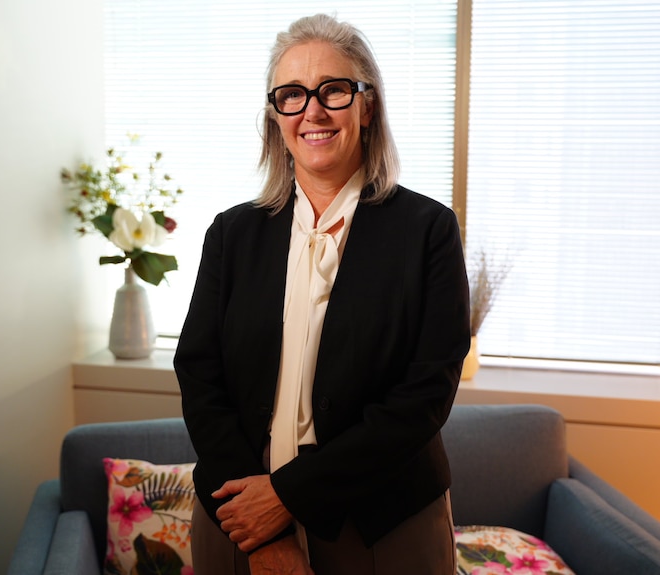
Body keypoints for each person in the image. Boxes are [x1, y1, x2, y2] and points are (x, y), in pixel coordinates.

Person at [174, 13, 470, 575]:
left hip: (383, 518)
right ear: (274, 116)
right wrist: (260, 532)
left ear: (367, 105)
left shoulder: (428, 230)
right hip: (239, 509)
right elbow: (199, 374)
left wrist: (287, 497)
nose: (311, 110)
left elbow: (425, 394)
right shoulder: (231, 234)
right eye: (291, 95)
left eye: (333, 90)